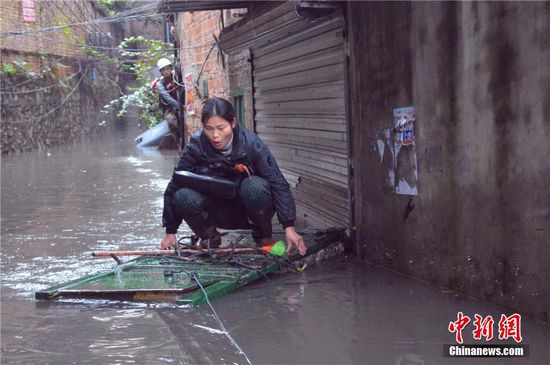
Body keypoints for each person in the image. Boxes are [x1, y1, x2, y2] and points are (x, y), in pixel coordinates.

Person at [160, 97, 306, 256]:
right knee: (182, 196)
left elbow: (278, 183)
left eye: (221, 128)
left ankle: (263, 237)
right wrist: (170, 230)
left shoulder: (251, 144)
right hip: (215, 210)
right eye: (209, 129)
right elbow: (174, 185)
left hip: (248, 210)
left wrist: (289, 227)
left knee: (256, 186)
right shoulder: (196, 145)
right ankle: (210, 238)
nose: (215, 135)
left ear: (233, 123)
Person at [155, 58, 181, 138]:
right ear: (161, 72)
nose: (166, 71)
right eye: (163, 70)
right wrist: (180, 106)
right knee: (172, 123)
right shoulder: (159, 84)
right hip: (167, 108)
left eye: (168, 69)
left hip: (177, 102)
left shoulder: (175, 76)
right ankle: (176, 139)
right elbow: (167, 98)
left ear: (171, 68)